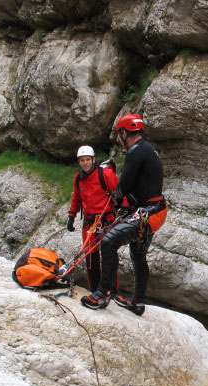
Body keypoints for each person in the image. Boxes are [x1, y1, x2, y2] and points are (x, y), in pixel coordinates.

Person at [81, 114, 167, 316]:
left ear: (123, 132)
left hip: (147, 212)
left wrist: (115, 201)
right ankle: (138, 302)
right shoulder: (148, 150)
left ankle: (102, 293)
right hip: (155, 211)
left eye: (119, 135)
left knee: (108, 241)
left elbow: (123, 187)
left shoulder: (136, 152)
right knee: (138, 255)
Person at [67, 145, 119, 293]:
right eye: (82, 160)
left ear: (93, 159)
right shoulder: (79, 178)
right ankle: (94, 291)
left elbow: (119, 194)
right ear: (79, 162)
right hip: (90, 222)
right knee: (91, 257)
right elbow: (76, 197)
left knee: (109, 256)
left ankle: (112, 292)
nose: (85, 163)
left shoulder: (106, 174)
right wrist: (72, 216)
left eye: (87, 159)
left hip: (107, 220)